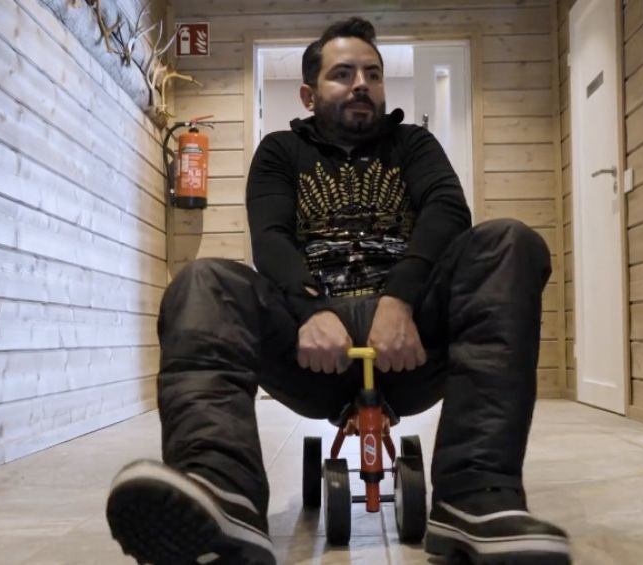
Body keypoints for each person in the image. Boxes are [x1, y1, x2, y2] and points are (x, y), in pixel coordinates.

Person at [105, 16, 571, 565]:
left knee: (510, 242)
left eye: (372, 73)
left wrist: (399, 300)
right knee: (203, 282)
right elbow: (271, 238)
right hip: (311, 350)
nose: (361, 84)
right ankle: (222, 497)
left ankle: (477, 497)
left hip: (409, 340)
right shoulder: (280, 152)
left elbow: (448, 212)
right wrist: (308, 309)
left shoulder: (415, 145)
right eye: (343, 74)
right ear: (309, 94)